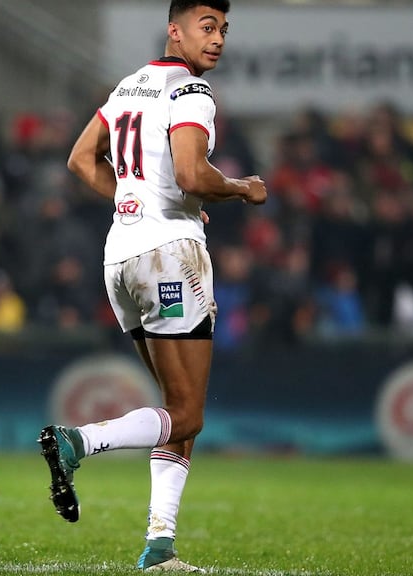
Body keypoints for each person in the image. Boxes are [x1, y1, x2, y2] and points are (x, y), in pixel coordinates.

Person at [39, 1, 266, 572]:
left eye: (223, 31)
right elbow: (191, 174)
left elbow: (79, 160)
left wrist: (133, 202)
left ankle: (160, 545)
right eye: (206, 27)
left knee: (176, 407)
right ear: (176, 29)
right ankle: (79, 442)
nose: (216, 40)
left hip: (121, 256)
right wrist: (240, 188)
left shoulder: (128, 87)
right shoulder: (193, 94)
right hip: (170, 256)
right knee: (188, 415)